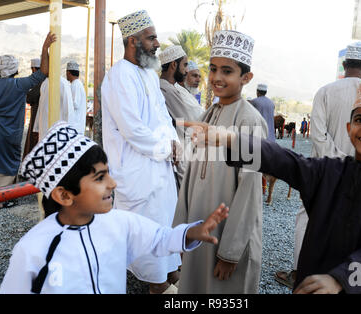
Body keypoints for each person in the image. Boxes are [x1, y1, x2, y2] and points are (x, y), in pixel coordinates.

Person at [182, 71, 361, 294]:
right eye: (360, 119)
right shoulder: (327, 171)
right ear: (349, 128)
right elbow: (283, 159)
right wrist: (230, 138)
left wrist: (340, 279)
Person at [0, 121, 229, 294]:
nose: (113, 183)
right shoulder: (33, 249)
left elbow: (159, 238)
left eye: (108, 173)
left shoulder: (118, 222)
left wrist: (192, 232)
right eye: (99, 178)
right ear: (64, 195)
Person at [172, 30, 268, 294]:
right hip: (198, 226)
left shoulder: (249, 120)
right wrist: (182, 233)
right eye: (213, 69)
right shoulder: (209, 114)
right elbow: (190, 176)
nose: (216, 77)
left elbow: (249, 191)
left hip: (227, 235)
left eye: (227, 71)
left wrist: (230, 252)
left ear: (245, 78)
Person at [275, 41, 361, 288]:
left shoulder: (326, 91)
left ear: (344, 65)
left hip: (324, 172)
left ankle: (300, 274)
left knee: (307, 218)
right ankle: (346, 280)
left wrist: (339, 162)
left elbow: (318, 136)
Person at [101, 10, 182, 294]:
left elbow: (162, 115)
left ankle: (168, 276)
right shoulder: (118, 76)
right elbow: (132, 128)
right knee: (146, 232)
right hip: (136, 171)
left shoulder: (148, 74)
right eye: (152, 38)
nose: (157, 43)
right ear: (133, 41)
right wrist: (165, 148)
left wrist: (175, 142)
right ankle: (157, 285)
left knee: (165, 224)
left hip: (160, 168)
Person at [0, 33, 55, 209]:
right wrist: (45, 48)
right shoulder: (19, 85)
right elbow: (43, 73)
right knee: (7, 162)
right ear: (14, 69)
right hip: (9, 134)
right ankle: (2, 198)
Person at [159, 45, 205, 187]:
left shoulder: (171, 88)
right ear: (174, 65)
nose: (186, 70)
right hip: (180, 152)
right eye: (185, 65)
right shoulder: (165, 88)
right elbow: (189, 120)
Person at [34, 73, 74, 141]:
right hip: (44, 131)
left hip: (59, 132)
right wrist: (37, 128)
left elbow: (68, 110)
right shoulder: (45, 83)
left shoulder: (63, 83)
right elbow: (41, 108)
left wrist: (68, 133)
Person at [22, 58, 43, 159]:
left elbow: (29, 97)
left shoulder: (40, 81)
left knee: (33, 138)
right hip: (40, 113)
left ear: (34, 69)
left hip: (37, 113)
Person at [66, 61, 87, 135]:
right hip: (76, 125)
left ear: (68, 73)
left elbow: (75, 104)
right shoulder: (76, 84)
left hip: (75, 126)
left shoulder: (76, 84)